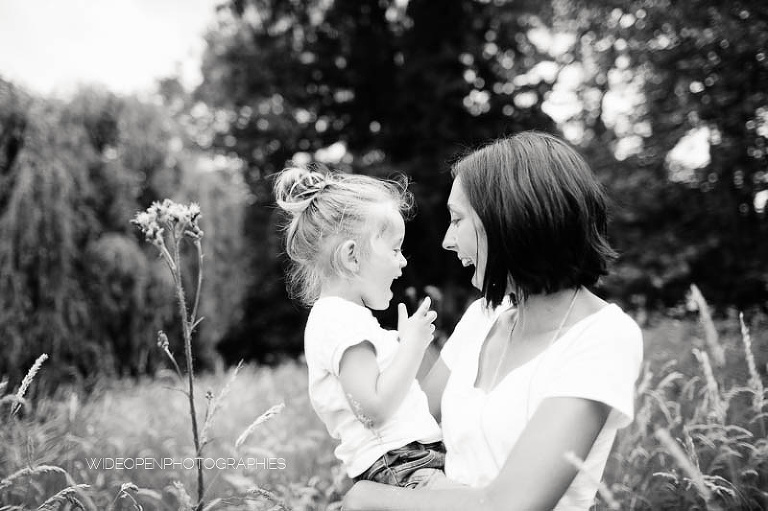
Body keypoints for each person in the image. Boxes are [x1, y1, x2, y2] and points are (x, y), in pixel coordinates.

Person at [343, 131, 644, 510]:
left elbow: (510, 506)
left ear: (508, 218)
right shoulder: (482, 318)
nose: (447, 242)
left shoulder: (604, 337)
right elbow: (408, 429)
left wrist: (366, 499)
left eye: (457, 220)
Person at [274, 166, 447, 489]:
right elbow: (374, 410)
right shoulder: (340, 322)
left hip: (409, 458)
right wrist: (412, 345)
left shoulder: (344, 319)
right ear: (352, 257)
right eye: (395, 249)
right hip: (401, 464)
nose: (403, 262)